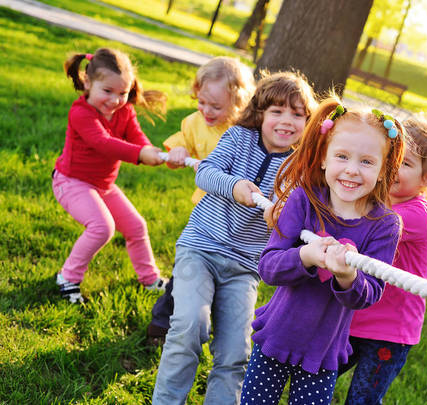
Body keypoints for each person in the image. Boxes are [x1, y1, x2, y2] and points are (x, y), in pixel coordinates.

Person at [152, 71, 318, 405]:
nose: (287, 121)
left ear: (308, 122)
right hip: (201, 248)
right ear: (260, 113)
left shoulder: (300, 167)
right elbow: (208, 171)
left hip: (244, 267)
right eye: (277, 112)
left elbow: (294, 220)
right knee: (188, 327)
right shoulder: (239, 137)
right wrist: (235, 186)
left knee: (235, 353)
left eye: (297, 115)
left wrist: (281, 219)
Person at [240, 97, 407, 405]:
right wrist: (308, 256)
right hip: (275, 338)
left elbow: (368, 295)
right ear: (324, 159)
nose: (352, 171)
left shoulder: (385, 224)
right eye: (342, 156)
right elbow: (269, 267)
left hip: (324, 352)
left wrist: (347, 275)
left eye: (367, 162)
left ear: (384, 170)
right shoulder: (304, 199)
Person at [341, 116, 427, 404]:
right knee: (316, 379)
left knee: (361, 400)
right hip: (355, 316)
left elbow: (362, 227)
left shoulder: (415, 215)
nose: (392, 168)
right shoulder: (376, 198)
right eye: (390, 156)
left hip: (389, 331)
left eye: (405, 163)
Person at [147, 56, 255, 345]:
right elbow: (178, 146)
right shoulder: (193, 123)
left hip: (238, 218)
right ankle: (160, 323)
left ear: (238, 103)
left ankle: (215, 326)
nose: (206, 110)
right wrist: (179, 151)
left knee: (224, 277)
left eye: (216, 106)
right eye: (202, 102)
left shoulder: (245, 131)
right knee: (189, 269)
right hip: (206, 215)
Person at [53, 47, 168, 304]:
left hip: (102, 185)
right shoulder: (81, 113)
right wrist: (140, 154)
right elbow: (103, 143)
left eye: (122, 93)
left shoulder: (124, 111)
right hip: (71, 182)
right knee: (102, 227)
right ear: (88, 83)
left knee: (136, 226)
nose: (115, 100)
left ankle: (149, 279)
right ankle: (67, 277)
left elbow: (136, 135)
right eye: (107, 91)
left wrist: (148, 150)